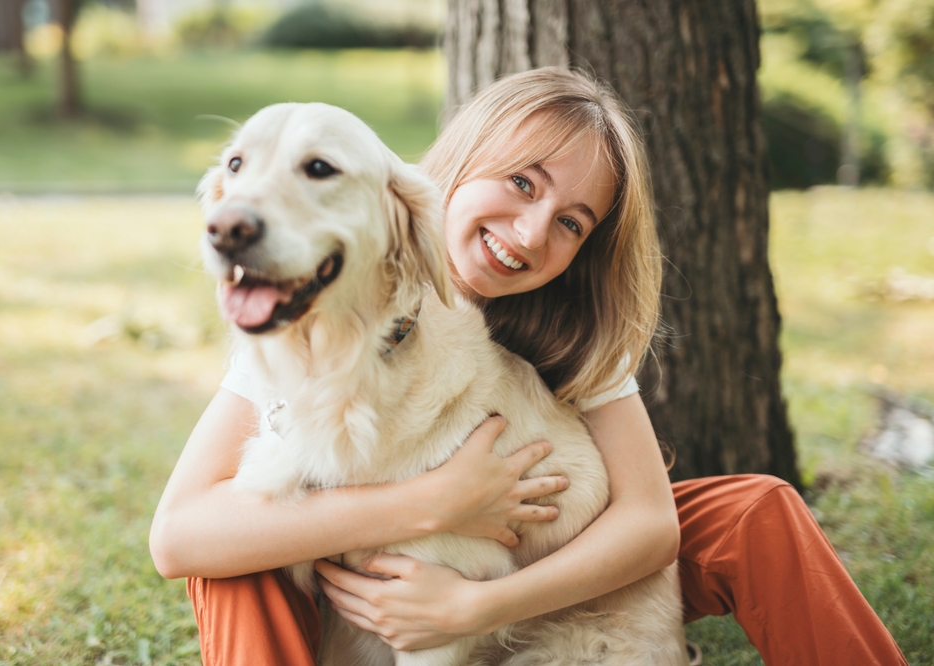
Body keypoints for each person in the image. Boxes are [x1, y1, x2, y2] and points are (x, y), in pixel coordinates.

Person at [149, 68, 907, 666]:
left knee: (754, 512)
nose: (531, 231)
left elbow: (649, 521)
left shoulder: (572, 320)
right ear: (458, 166)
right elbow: (181, 535)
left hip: (550, 538)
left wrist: (479, 607)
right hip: (420, 527)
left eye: (571, 223)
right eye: (521, 182)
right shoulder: (316, 297)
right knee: (237, 551)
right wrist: (435, 503)